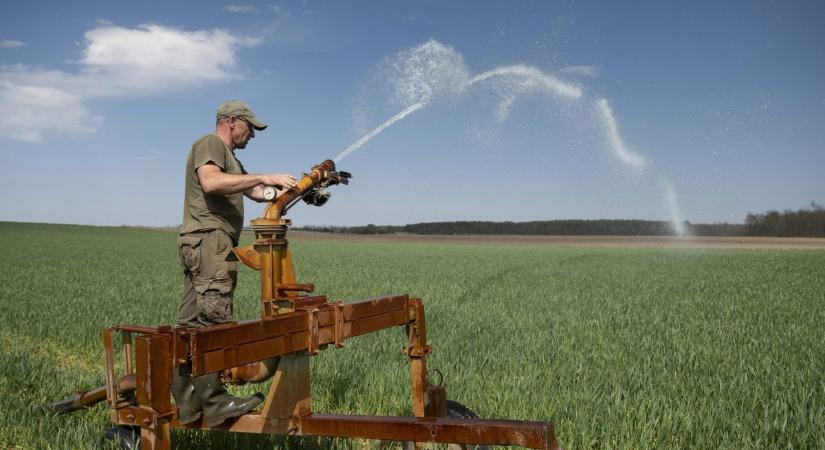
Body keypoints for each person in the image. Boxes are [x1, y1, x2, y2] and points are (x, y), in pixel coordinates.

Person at [171, 100, 297, 427]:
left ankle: (188, 405)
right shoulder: (210, 144)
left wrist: (295, 190)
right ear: (231, 121)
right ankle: (215, 404)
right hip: (210, 241)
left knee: (190, 328)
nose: (253, 135)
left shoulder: (232, 161)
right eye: (250, 127)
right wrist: (268, 174)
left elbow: (258, 192)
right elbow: (211, 182)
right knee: (214, 323)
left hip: (203, 242)